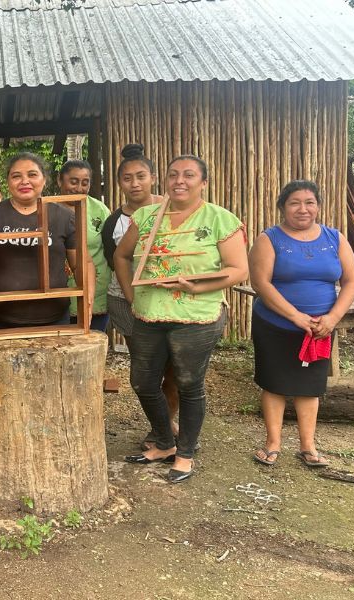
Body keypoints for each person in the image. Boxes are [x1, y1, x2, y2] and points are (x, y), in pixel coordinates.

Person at [113, 155, 248, 483]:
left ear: (203, 182)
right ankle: (163, 442)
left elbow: (238, 270)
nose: (180, 181)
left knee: (189, 384)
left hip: (196, 318)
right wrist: (132, 296)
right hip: (148, 315)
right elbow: (122, 255)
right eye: (173, 174)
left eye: (189, 175)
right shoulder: (146, 216)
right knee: (143, 383)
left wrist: (198, 284)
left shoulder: (219, 219)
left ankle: (185, 454)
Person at [249, 180, 354, 468]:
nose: (303, 208)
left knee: (310, 386)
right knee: (275, 383)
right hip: (275, 324)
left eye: (310, 202)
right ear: (283, 207)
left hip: (320, 328)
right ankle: (273, 444)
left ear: (318, 206)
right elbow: (260, 283)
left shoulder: (335, 238)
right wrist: (295, 316)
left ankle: (308, 446)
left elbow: (350, 281)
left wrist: (332, 318)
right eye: (295, 202)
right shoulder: (269, 239)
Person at [0, 153, 93, 333]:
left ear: (44, 180)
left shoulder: (64, 216)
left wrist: (88, 299)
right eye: (16, 176)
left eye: (32, 174)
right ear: (7, 181)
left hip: (55, 321)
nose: (24, 181)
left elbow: (81, 263)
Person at [101, 144, 180, 451]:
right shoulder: (114, 223)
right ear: (119, 183)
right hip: (127, 300)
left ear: (153, 178)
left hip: (171, 299)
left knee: (175, 367)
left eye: (141, 176)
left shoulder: (174, 209)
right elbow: (114, 260)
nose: (134, 183)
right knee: (146, 369)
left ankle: (167, 421)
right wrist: (134, 297)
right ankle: (160, 427)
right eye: (127, 178)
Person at [57, 159, 111, 332]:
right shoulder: (47, 209)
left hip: (96, 291)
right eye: (73, 182)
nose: (79, 188)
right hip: (59, 293)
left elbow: (110, 247)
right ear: (60, 180)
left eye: (85, 183)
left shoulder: (99, 210)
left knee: (91, 345)